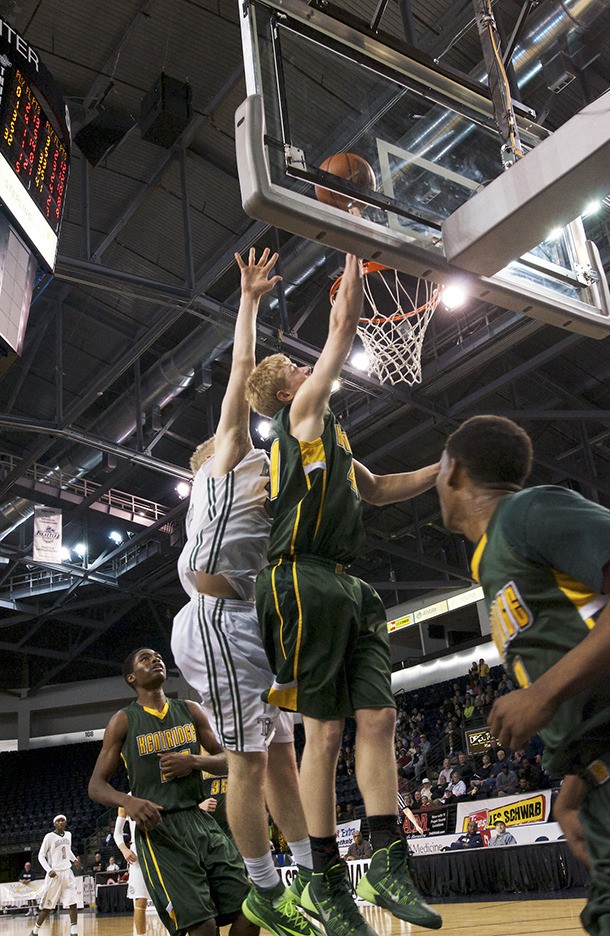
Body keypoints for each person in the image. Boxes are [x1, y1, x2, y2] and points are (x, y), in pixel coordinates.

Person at [246, 254, 442, 935]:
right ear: (284, 391)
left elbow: (379, 489)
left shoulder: (330, 435)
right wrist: (352, 247)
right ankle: (323, 877)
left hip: (347, 584)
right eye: (296, 367)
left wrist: (444, 468)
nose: (309, 368)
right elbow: (343, 327)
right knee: (324, 733)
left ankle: (387, 857)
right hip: (299, 579)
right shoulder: (300, 415)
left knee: (379, 718)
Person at [169, 247, 321, 936]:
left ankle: (312, 876)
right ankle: (264, 893)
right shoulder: (225, 459)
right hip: (213, 618)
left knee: (283, 754)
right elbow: (239, 369)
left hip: (248, 617)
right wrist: (250, 300)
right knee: (247, 761)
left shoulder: (271, 470)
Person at [435, 413, 610, 936]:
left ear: (453, 470)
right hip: (599, 774)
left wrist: (542, 693)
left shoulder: (527, 510)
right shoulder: (492, 562)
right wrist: (574, 787)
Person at [88, 647, 258, 936]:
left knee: (252, 910)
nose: (155, 660)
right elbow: (96, 785)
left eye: (157, 656)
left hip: (200, 821)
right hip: (160, 831)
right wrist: (128, 802)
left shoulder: (190, 709)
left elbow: (230, 760)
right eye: (145, 659)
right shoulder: (124, 720)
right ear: (131, 678)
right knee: (203, 928)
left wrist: (193, 761)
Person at [29, 815, 79, 936]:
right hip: (55, 874)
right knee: (47, 907)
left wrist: (74, 859)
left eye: (62, 821)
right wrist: (48, 869)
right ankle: (35, 931)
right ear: (54, 824)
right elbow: (41, 855)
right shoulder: (49, 837)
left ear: (65, 823)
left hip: (67, 872)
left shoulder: (68, 835)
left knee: (73, 903)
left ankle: (74, 932)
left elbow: (67, 850)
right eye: (58, 821)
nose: (61, 822)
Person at [114, 801, 148, 936]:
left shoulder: (158, 791)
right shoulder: (126, 800)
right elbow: (117, 833)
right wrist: (124, 850)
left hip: (159, 849)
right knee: (140, 901)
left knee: (169, 899)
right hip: (137, 851)